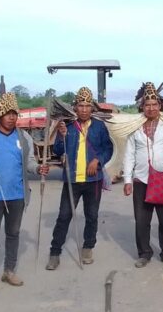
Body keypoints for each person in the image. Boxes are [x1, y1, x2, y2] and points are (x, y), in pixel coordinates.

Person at [0, 92, 47, 292]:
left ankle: (9, 271)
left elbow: (29, 162)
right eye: (8, 114)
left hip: (17, 195)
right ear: (0, 115)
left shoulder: (24, 137)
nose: (12, 118)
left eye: (14, 114)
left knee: (13, 234)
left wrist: (38, 169)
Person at [46, 87, 114, 270]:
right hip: (72, 180)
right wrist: (61, 136)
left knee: (92, 216)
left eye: (87, 106)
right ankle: (55, 252)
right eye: (81, 106)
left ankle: (88, 247)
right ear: (75, 107)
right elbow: (58, 150)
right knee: (64, 216)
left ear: (92, 108)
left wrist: (97, 160)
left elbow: (108, 149)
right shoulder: (67, 126)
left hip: (93, 180)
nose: (84, 109)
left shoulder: (99, 126)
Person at [123, 82, 163, 268]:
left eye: (154, 104)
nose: (151, 108)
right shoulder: (135, 127)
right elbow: (129, 154)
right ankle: (144, 253)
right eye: (147, 104)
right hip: (141, 179)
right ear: (142, 106)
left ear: (160, 105)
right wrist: (127, 179)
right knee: (142, 220)